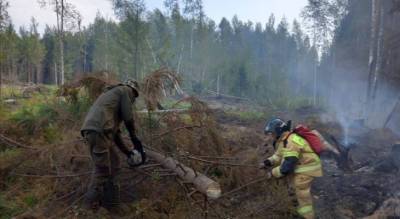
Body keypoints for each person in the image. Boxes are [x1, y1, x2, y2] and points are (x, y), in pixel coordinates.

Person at [80, 79, 146, 209]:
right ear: (133, 90)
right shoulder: (125, 91)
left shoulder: (112, 99)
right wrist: (135, 139)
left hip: (95, 131)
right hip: (99, 132)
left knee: (115, 162)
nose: (133, 100)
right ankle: (85, 208)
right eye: (135, 96)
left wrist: (128, 152)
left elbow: (116, 137)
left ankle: (110, 202)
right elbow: (128, 118)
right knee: (102, 170)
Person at [260, 118, 322, 219]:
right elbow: (278, 156)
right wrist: (266, 163)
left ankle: (307, 216)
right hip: (302, 166)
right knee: (295, 188)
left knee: (302, 192)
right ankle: (299, 208)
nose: (270, 136)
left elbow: (287, 166)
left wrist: (272, 173)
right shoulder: (284, 140)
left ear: (278, 131)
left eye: (272, 133)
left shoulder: (291, 141)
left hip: (307, 168)